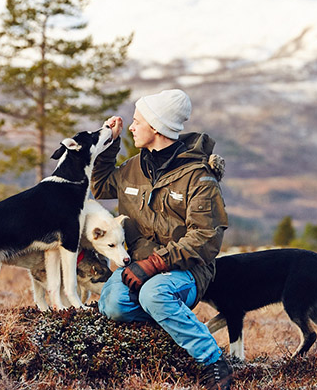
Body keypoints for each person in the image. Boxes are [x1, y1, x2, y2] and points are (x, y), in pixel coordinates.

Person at [91, 89, 232, 390]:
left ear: (156, 127)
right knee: (112, 304)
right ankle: (169, 327)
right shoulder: (132, 169)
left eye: (137, 121)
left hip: (188, 270)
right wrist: (109, 144)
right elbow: (100, 187)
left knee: (154, 293)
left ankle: (213, 361)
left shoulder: (198, 176)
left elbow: (206, 238)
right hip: (139, 265)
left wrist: (156, 263)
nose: (131, 127)